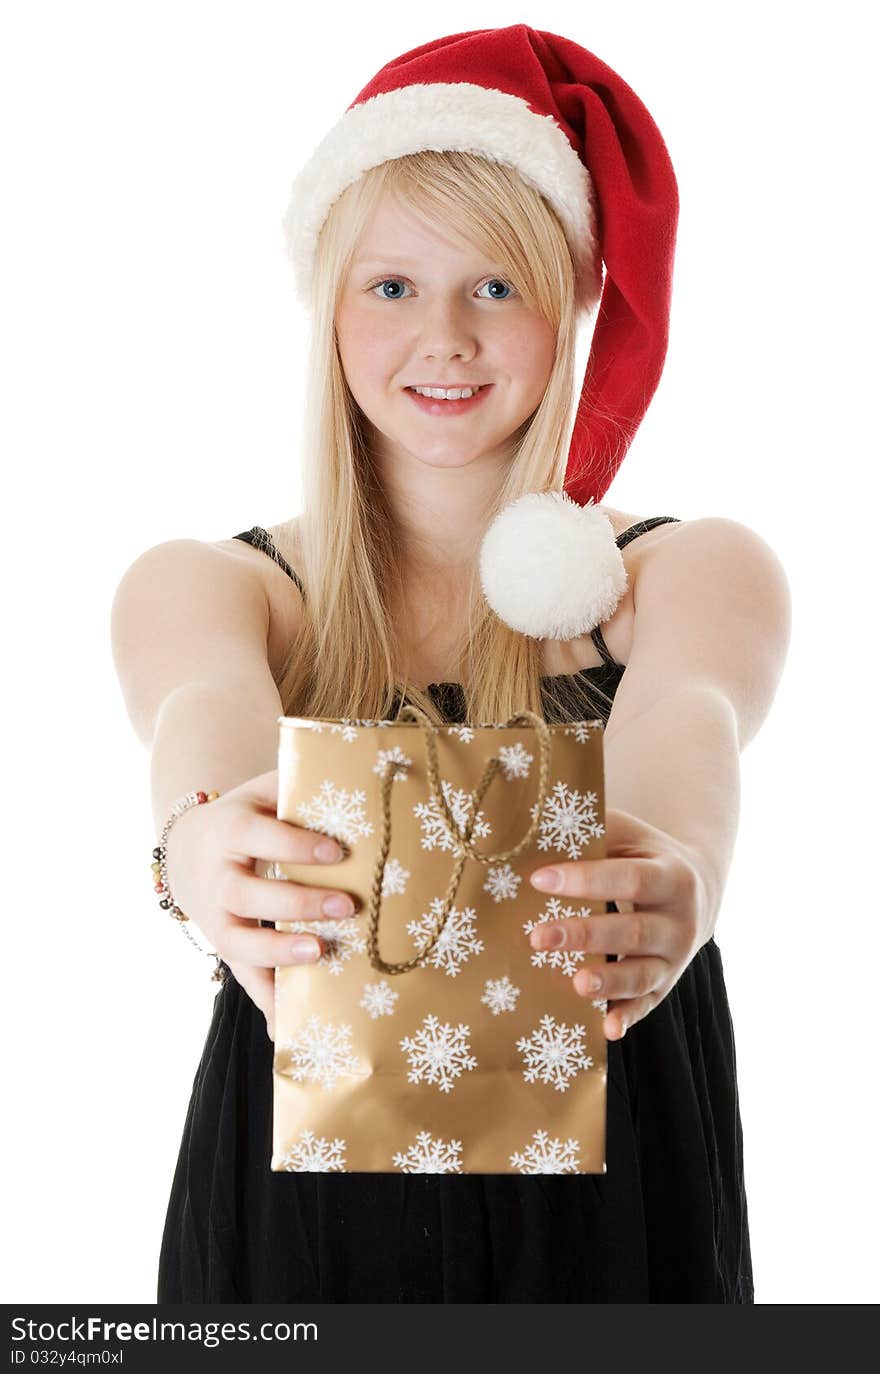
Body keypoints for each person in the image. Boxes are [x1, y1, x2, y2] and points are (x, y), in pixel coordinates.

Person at [110, 25, 790, 1303]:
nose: (446, 338)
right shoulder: (220, 585)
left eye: (495, 286)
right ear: (328, 306)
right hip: (303, 1201)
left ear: (571, 299)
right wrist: (198, 846)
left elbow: (685, 726)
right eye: (390, 287)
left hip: (620, 1174)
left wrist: (678, 869)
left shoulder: (684, 571)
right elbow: (199, 715)